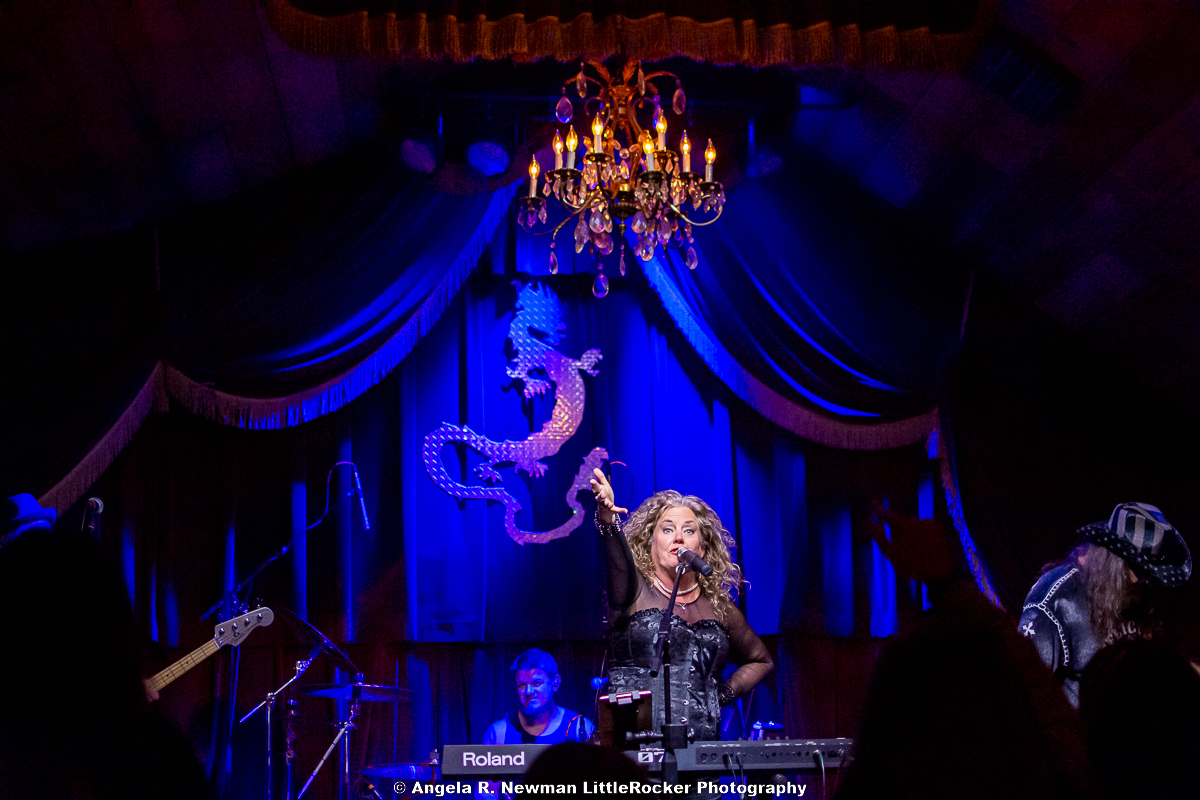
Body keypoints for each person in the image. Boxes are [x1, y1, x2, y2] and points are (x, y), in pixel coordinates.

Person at [835, 505, 1097, 800]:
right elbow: (1060, 733)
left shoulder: (902, 671)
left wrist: (944, 581)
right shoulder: (1030, 753)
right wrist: (947, 580)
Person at [589, 469, 773, 743]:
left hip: (699, 749)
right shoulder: (632, 589)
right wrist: (608, 520)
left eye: (689, 531)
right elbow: (617, 560)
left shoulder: (719, 608)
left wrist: (720, 696)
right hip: (631, 748)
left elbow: (761, 660)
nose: (678, 538)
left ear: (702, 547)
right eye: (667, 529)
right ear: (650, 542)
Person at [1018, 502, 1192, 706]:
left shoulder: (1137, 592)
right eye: (1140, 569)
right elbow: (1027, 690)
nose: (1146, 580)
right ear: (1114, 560)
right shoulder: (1056, 601)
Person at [482, 648, 595, 744]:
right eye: (522, 685)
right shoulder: (498, 734)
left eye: (536, 683)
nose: (528, 691)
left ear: (555, 683)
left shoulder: (579, 728)